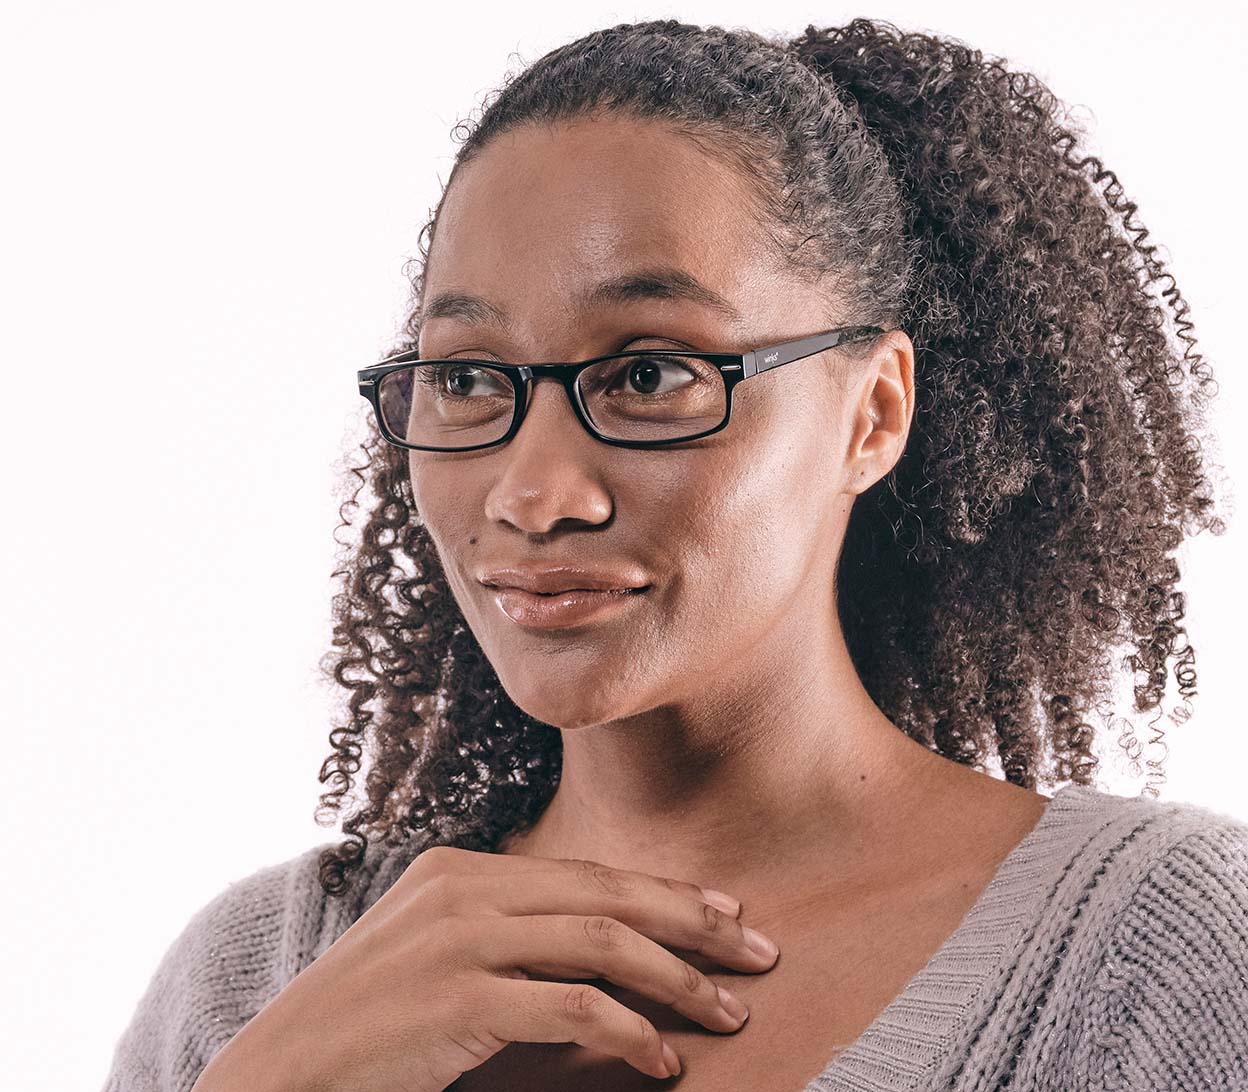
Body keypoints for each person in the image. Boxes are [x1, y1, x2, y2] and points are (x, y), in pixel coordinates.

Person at [102, 17, 1248, 1092]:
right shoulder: (257, 985)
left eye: (650, 375)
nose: (535, 493)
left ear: (874, 415)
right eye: (462, 377)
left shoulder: (1165, 961)